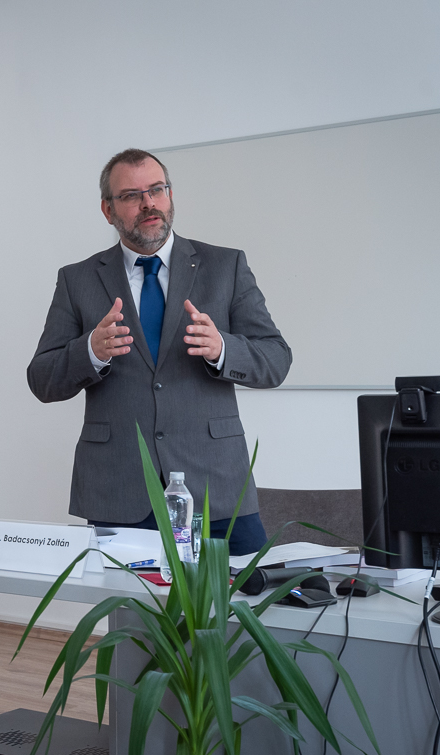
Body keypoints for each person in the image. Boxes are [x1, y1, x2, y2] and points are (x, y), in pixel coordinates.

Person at [27, 149, 291, 555]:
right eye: (132, 195)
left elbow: (276, 359)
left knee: (247, 594)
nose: (148, 203)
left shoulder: (226, 266)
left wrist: (223, 348)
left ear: (170, 195)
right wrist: (89, 351)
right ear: (108, 210)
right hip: (118, 489)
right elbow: (42, 380)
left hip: (216, 486)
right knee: (130, 599)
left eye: (156, 190)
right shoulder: (78, 280)